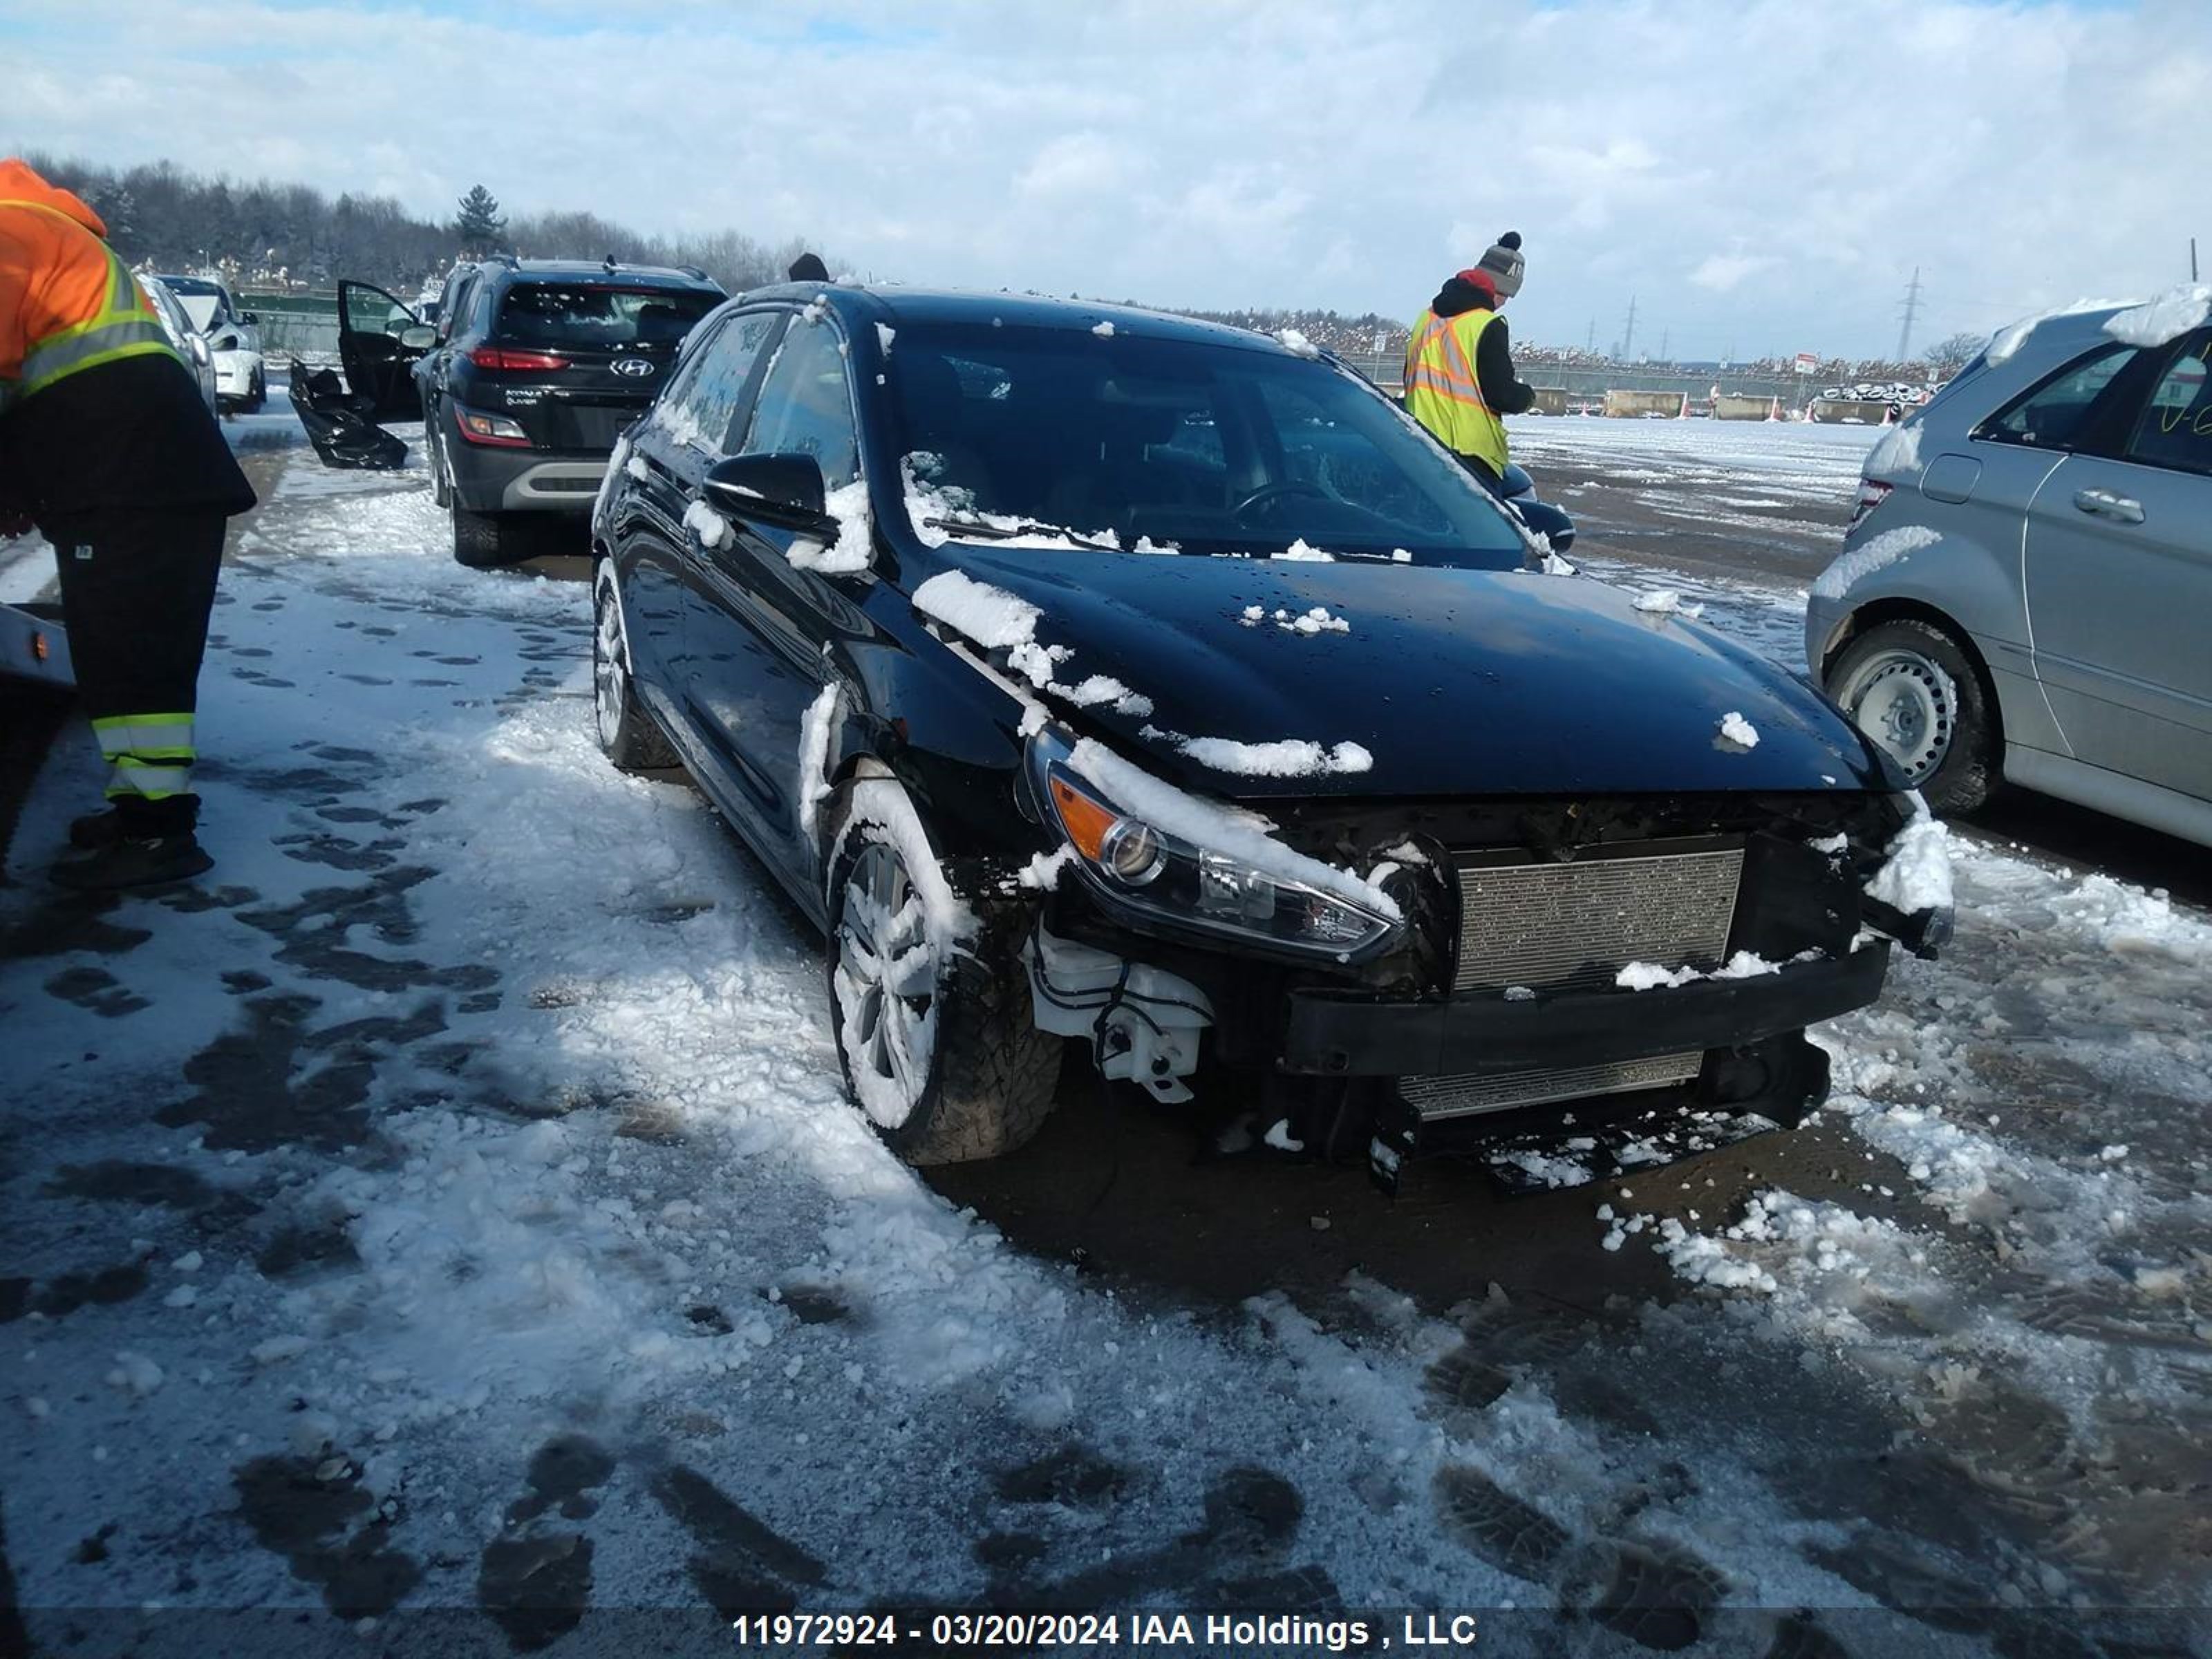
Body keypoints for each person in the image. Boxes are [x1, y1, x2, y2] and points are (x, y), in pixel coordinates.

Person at [0, 157, 255, 890]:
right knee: (136, 651)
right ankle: (145, 816)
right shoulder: (59, 236)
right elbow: (58, 377)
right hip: (146, 473)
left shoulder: (9, 233)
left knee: (130, 654)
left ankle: (156, 837)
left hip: (126, 477)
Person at [1403, 231, 1536, 491]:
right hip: (1471, 456)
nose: (1504, 304)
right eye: (1507, 296)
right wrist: (1527, 396)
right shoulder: (1486, 324)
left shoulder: (1426, 319)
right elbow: (1502, 395)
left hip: (1417, 446)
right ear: (1499, 289)